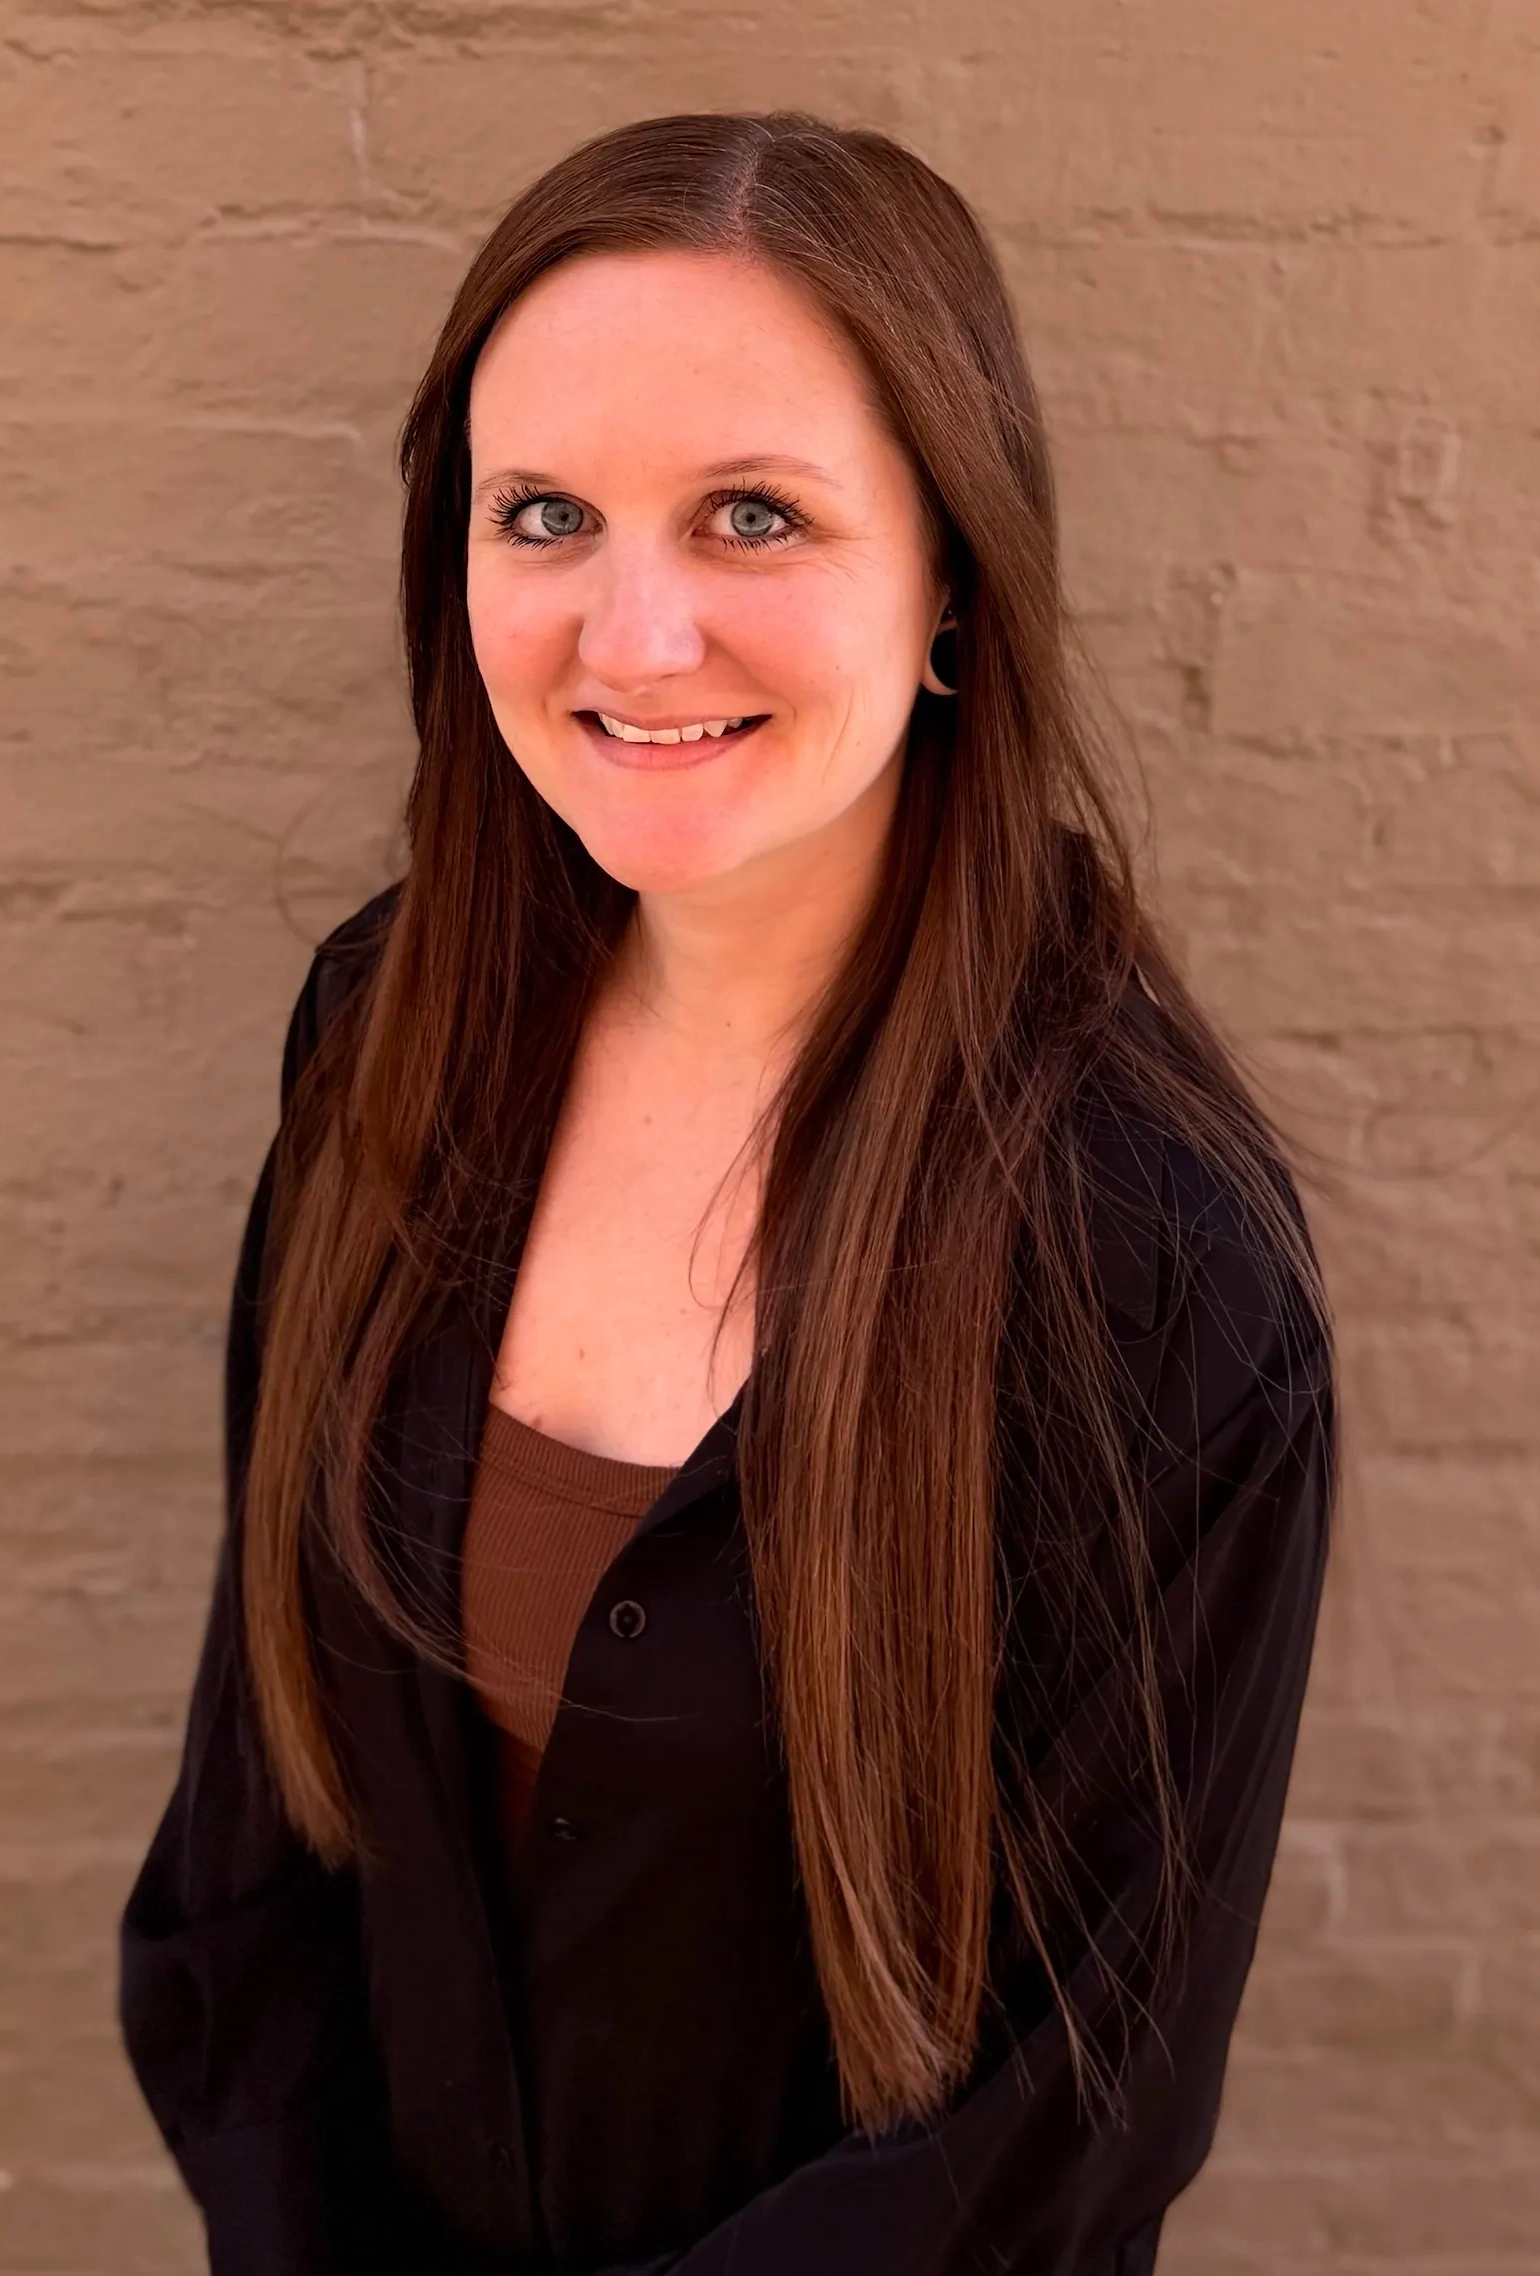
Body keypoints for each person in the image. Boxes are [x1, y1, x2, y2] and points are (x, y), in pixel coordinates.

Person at [118, 111, 1338, 2276]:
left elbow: (1064, 2126)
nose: (636, 631)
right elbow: (257, 1850)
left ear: (953, 578)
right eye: (547, 515)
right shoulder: (387, 1035)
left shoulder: (1148, 1266)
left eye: (752, 515)